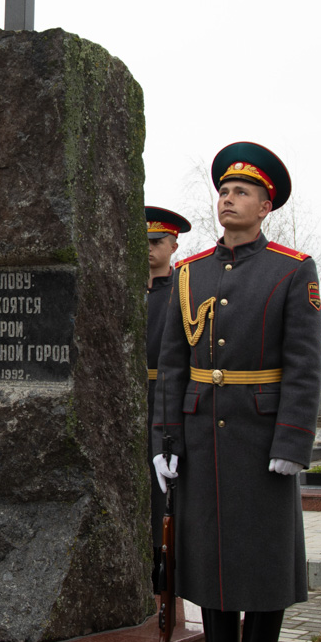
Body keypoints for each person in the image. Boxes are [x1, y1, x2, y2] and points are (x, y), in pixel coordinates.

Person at [151, 142, 321, 642]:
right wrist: (166, 440)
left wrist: (292, 442)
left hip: (261, 439)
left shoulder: (292, 269)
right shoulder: (190, 273)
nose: (228, 199)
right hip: (202, 438)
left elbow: (304, 364)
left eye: (241, 192)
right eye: (223, 191)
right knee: (210, 562)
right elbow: (173, 364)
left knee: (263, 564)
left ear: (265, 205)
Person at [145, 205, 191, 591]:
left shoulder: (184, 291)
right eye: (142, 241)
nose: (148, 248)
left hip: (165, 399)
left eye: (156, 241)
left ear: (173, 245)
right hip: (126, 399)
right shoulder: (123, 288)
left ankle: (166, 574)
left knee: (164, 492)